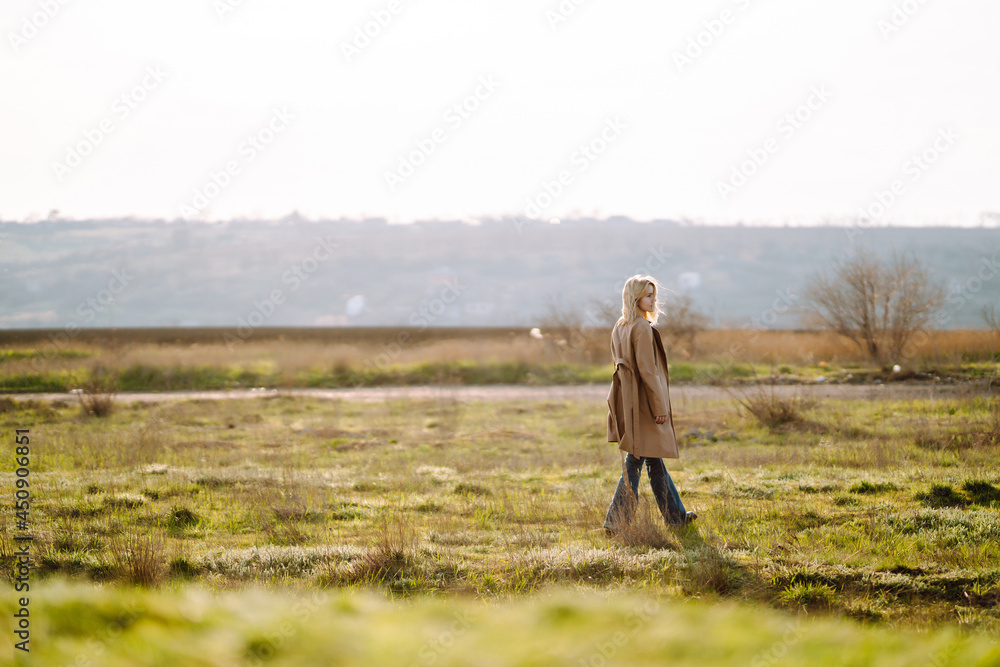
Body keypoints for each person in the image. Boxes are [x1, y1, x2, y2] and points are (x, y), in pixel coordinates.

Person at [604, 274, 696, 534]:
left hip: (628, 399)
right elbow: (648, 371)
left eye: (654, 295)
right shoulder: (642, 328)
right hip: (643, 403)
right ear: (634, 298)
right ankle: (616, 522)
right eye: (648, 296)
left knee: (653, 460)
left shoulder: (620, 325)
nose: (653, 301)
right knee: (635, 461)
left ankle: (676, 516)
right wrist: (659, 408)